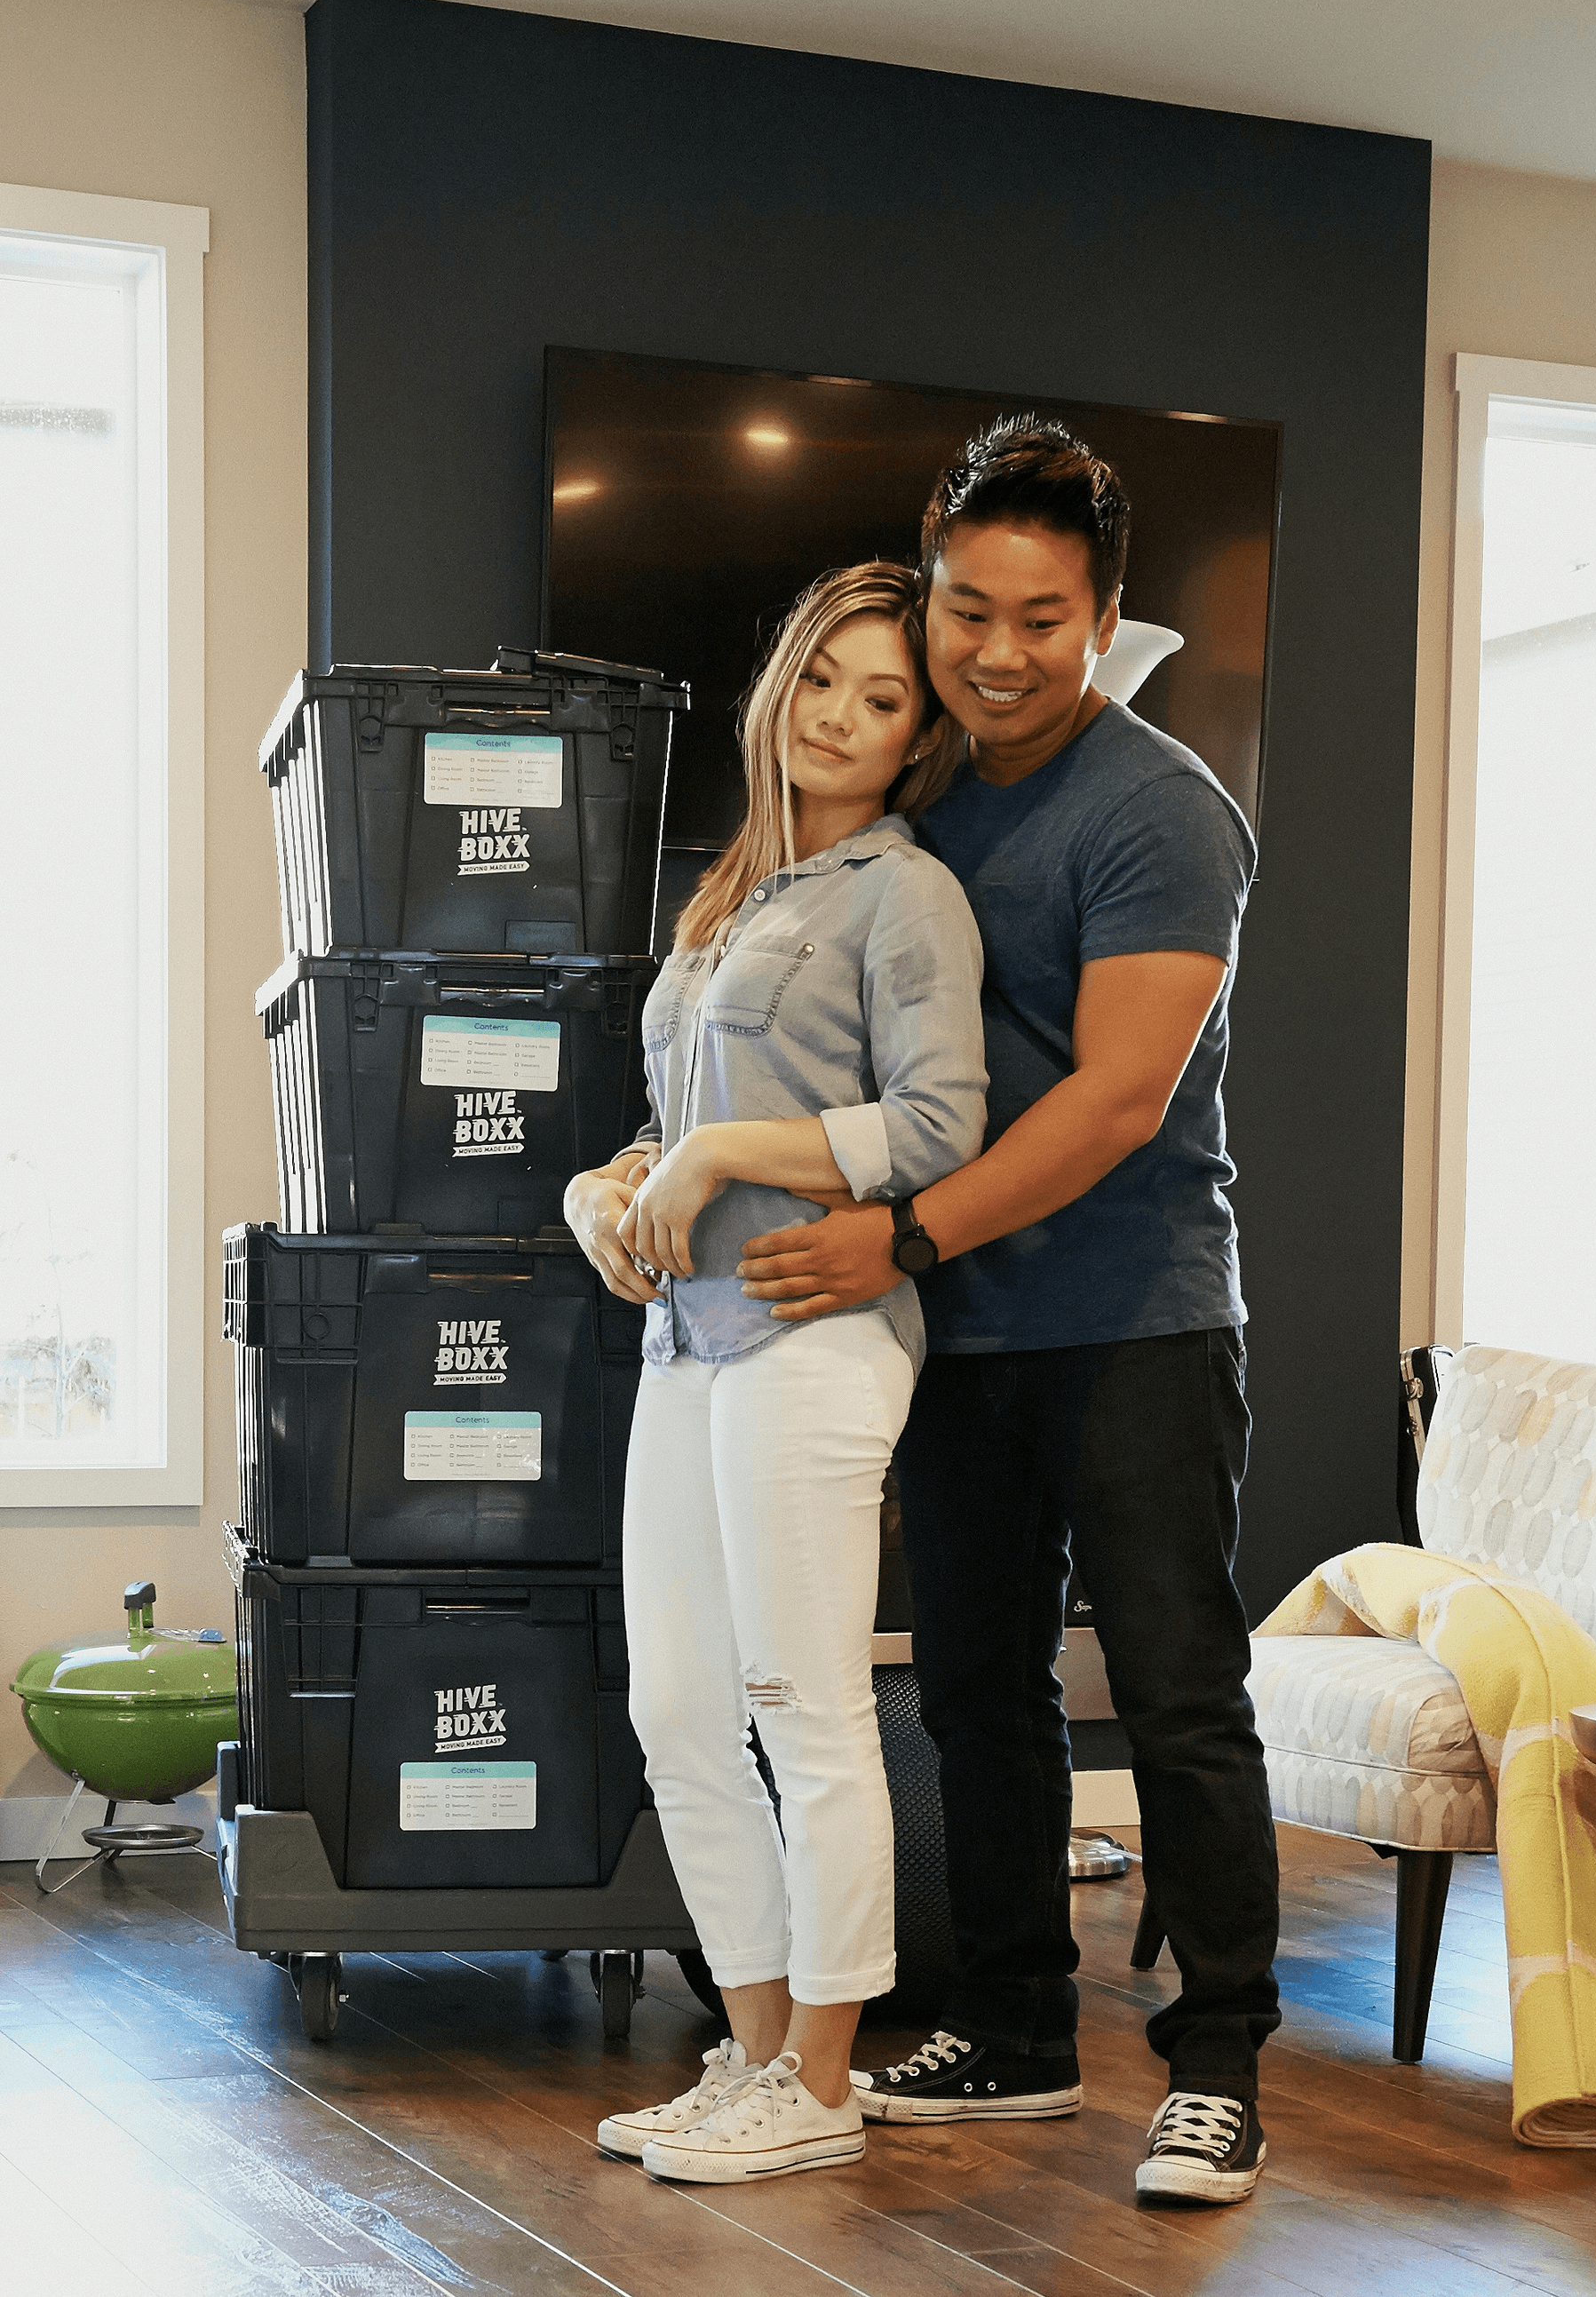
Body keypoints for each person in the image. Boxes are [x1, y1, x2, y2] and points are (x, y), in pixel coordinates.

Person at [735, 418, 1280, 2206]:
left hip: (1130, 1314)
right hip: (960, 1325)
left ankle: (1214, 2064)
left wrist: (895, 1234)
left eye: (1039, 618)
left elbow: (1115, 1097)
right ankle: (1018, 2023)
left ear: (1101, 616)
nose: (992, 651)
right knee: (976, 1688)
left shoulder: (1162, 810)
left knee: (1177, 1691)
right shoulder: (925, 800)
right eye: (966, 608)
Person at [565, 561, 986, 2189]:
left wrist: (729, 1145)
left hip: (817, 1334)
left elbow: (944, 1128)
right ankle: (748, 2058)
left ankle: (822, 2077)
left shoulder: (906, 895)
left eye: (887, 701)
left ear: (916, 739)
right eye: (827, 678)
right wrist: (607, 1187)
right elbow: (675, 1133)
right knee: (675, 1706)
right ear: (779, 681)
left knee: (804, 1708)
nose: (845, 717)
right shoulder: (731, 897)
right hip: (690, 1337)